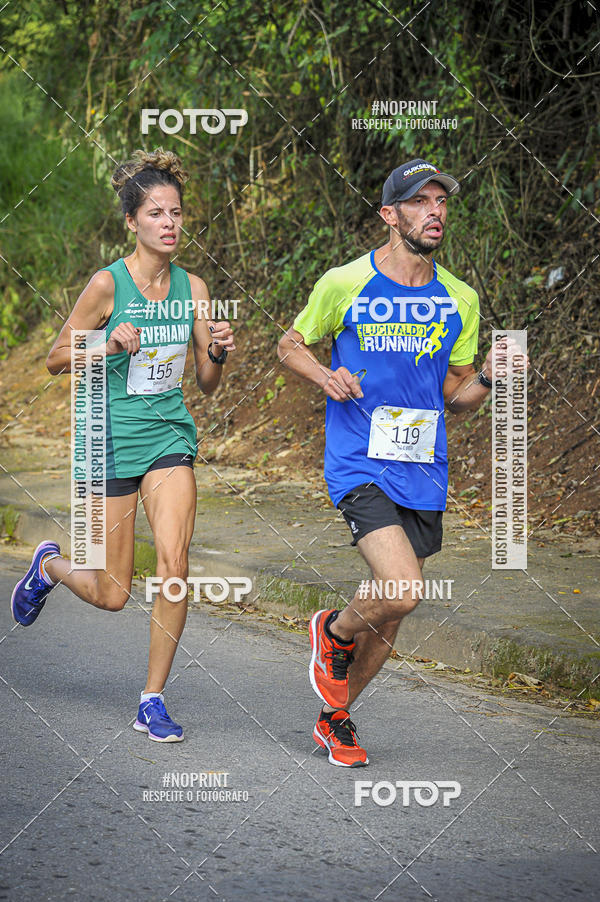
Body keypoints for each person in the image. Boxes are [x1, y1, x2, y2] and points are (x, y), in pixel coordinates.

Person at [278, 157, 526, 767]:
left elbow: (456, 396)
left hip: (423, 466)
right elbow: (289, 345)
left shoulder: (459, 297)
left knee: (390, 614)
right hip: (359, 460)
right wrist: (324, 374)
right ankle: (331, 630)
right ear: (390, 215)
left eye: (441, 202)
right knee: (402, 589)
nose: (435, 211)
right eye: (420, 202)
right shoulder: (345, 284)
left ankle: (335, 719)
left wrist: (490, 379)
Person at [10, 148, 235, 742]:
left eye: (178, 213)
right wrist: (107, 345)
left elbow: (208, 388)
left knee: (175, 564)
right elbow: (57, 359)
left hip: (168, 439)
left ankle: (151, 700)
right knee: (112, 593)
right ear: (132, 222)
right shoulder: (106, 285)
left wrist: (213, 352)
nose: (170, 223)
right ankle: (51, 565)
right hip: (107, 442)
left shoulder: (195, 289)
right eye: (156, 213)